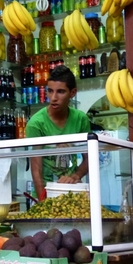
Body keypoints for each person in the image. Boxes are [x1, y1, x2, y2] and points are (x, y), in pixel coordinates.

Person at [25, 65, 91, 200]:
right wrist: (43, 202)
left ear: (73, 93)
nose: (53, 97)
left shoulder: (81, 119)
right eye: (50, 91)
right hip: (44, 192)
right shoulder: (36, 123)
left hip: (72, 191)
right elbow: (36, 169)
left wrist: (75, 176)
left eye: (60, 91)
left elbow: (89, 158)